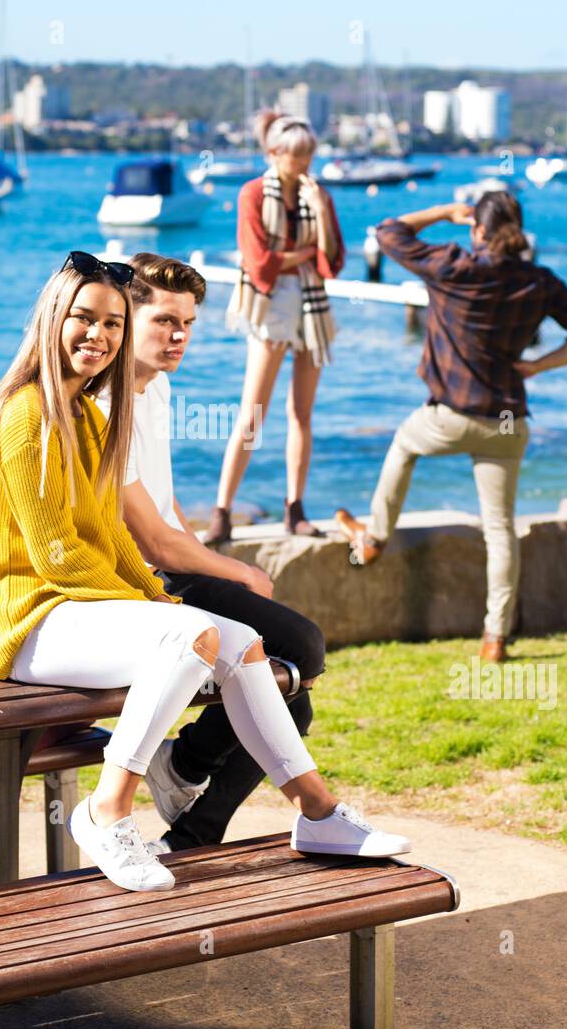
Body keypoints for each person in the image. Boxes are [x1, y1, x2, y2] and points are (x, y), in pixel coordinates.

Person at [0, 249, 411, 894]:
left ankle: (318, 812)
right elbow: (57, 553)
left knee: (243, 643)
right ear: (52, 319)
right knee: (192, 637)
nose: (99, 336)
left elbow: (109, 534)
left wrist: (162, 605)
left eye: (111, 324)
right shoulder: (26, 415)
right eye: (85, 319)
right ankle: (106, 811)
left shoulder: (81, 413)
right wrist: (165, 615)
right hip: (31, 622)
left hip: (78, 610)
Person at [96, 252, 381, 856]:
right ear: (127, 314)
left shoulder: (159, 389)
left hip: (172, 569)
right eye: (164, 320)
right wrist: (238, 570)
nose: (179, 336)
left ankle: (190, 822)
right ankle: (186, 771)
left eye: (189, 323)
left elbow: (168, 516)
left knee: (292, 693)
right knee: (301, 652)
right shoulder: (106, 405)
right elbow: (149, 539)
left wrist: (210, 563)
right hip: (140, 588)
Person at [342, 192, 567, 662]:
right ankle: (494, 638)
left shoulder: (452, 265)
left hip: (450, 415)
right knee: (500, 528)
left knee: (404, 444)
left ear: (478, 230)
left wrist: (443, 210)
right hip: (505, 420)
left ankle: (376, 538)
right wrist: (538, 366)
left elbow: (388, 232)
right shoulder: (538, 281)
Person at [205, 110, 345, 546]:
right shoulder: (252, 194)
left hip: (311, 304)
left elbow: (332, 263)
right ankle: (223, 510)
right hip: (269, 305)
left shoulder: (317, 195)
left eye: (309, 154)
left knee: (301, 413)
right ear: (273, 153)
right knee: (253, 412)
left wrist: (320, 212)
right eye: (297, 154)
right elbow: (258, 260)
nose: (304, 163)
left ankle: (294, 507)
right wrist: (303, 255)